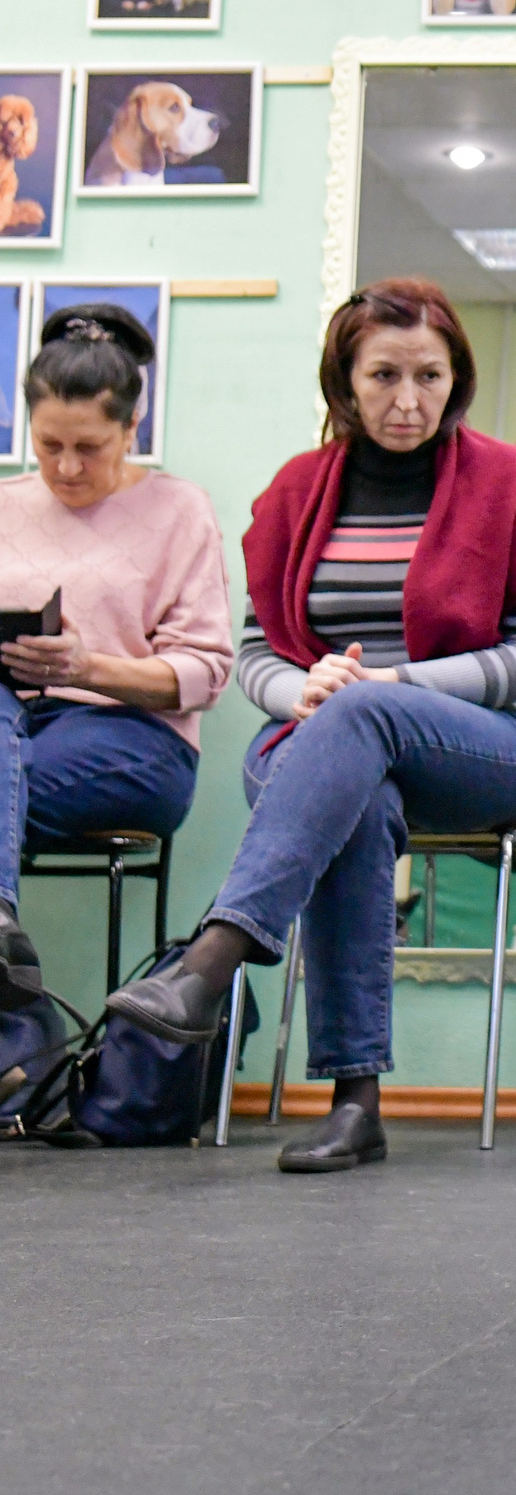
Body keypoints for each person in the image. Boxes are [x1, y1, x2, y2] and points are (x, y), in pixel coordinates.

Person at [104, 279, 516, 1175]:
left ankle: (212, 960)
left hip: (487, 746)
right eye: (384, 375)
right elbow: (254, 657)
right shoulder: (296, 492)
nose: (408, 400)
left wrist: (389, 683)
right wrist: (302, 693)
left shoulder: (507, 481)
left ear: (456, 379)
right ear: (344, 382)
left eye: (430, 376)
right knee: (357, 789)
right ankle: (356, 1104)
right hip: (326, 744)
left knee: (364, 718)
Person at [0, 307, 232, 1011]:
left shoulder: (181, 510)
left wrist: (84, 666)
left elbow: (204, 673)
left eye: (90, 447)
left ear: (133, 430)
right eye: (48, 446)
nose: (66, 467)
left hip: (134, 739)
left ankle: (20, 1041)